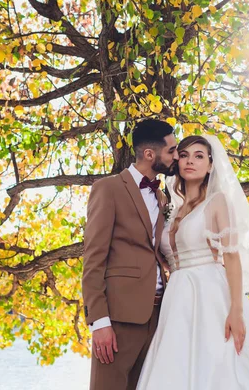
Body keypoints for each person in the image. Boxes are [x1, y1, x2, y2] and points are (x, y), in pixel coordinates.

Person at [136, 135, 249, 390]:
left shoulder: (217, 201)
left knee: (220, 364)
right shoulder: (170, 208)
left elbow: (231, 257)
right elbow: (168, 257)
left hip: (209, 293)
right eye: (185, 155)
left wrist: (236, 310)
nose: (191, 161)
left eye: (199, 156)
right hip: (177, 298)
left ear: (210, 165)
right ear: (177, 163)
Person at [82, 119, 178, 390]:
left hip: (159, 316)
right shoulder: (109, 189)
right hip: (119, 318)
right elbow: (93, 259)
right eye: (171, 150)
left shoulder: (162, 197)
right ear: (150, 154)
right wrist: (99, 322)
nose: (176, 156)